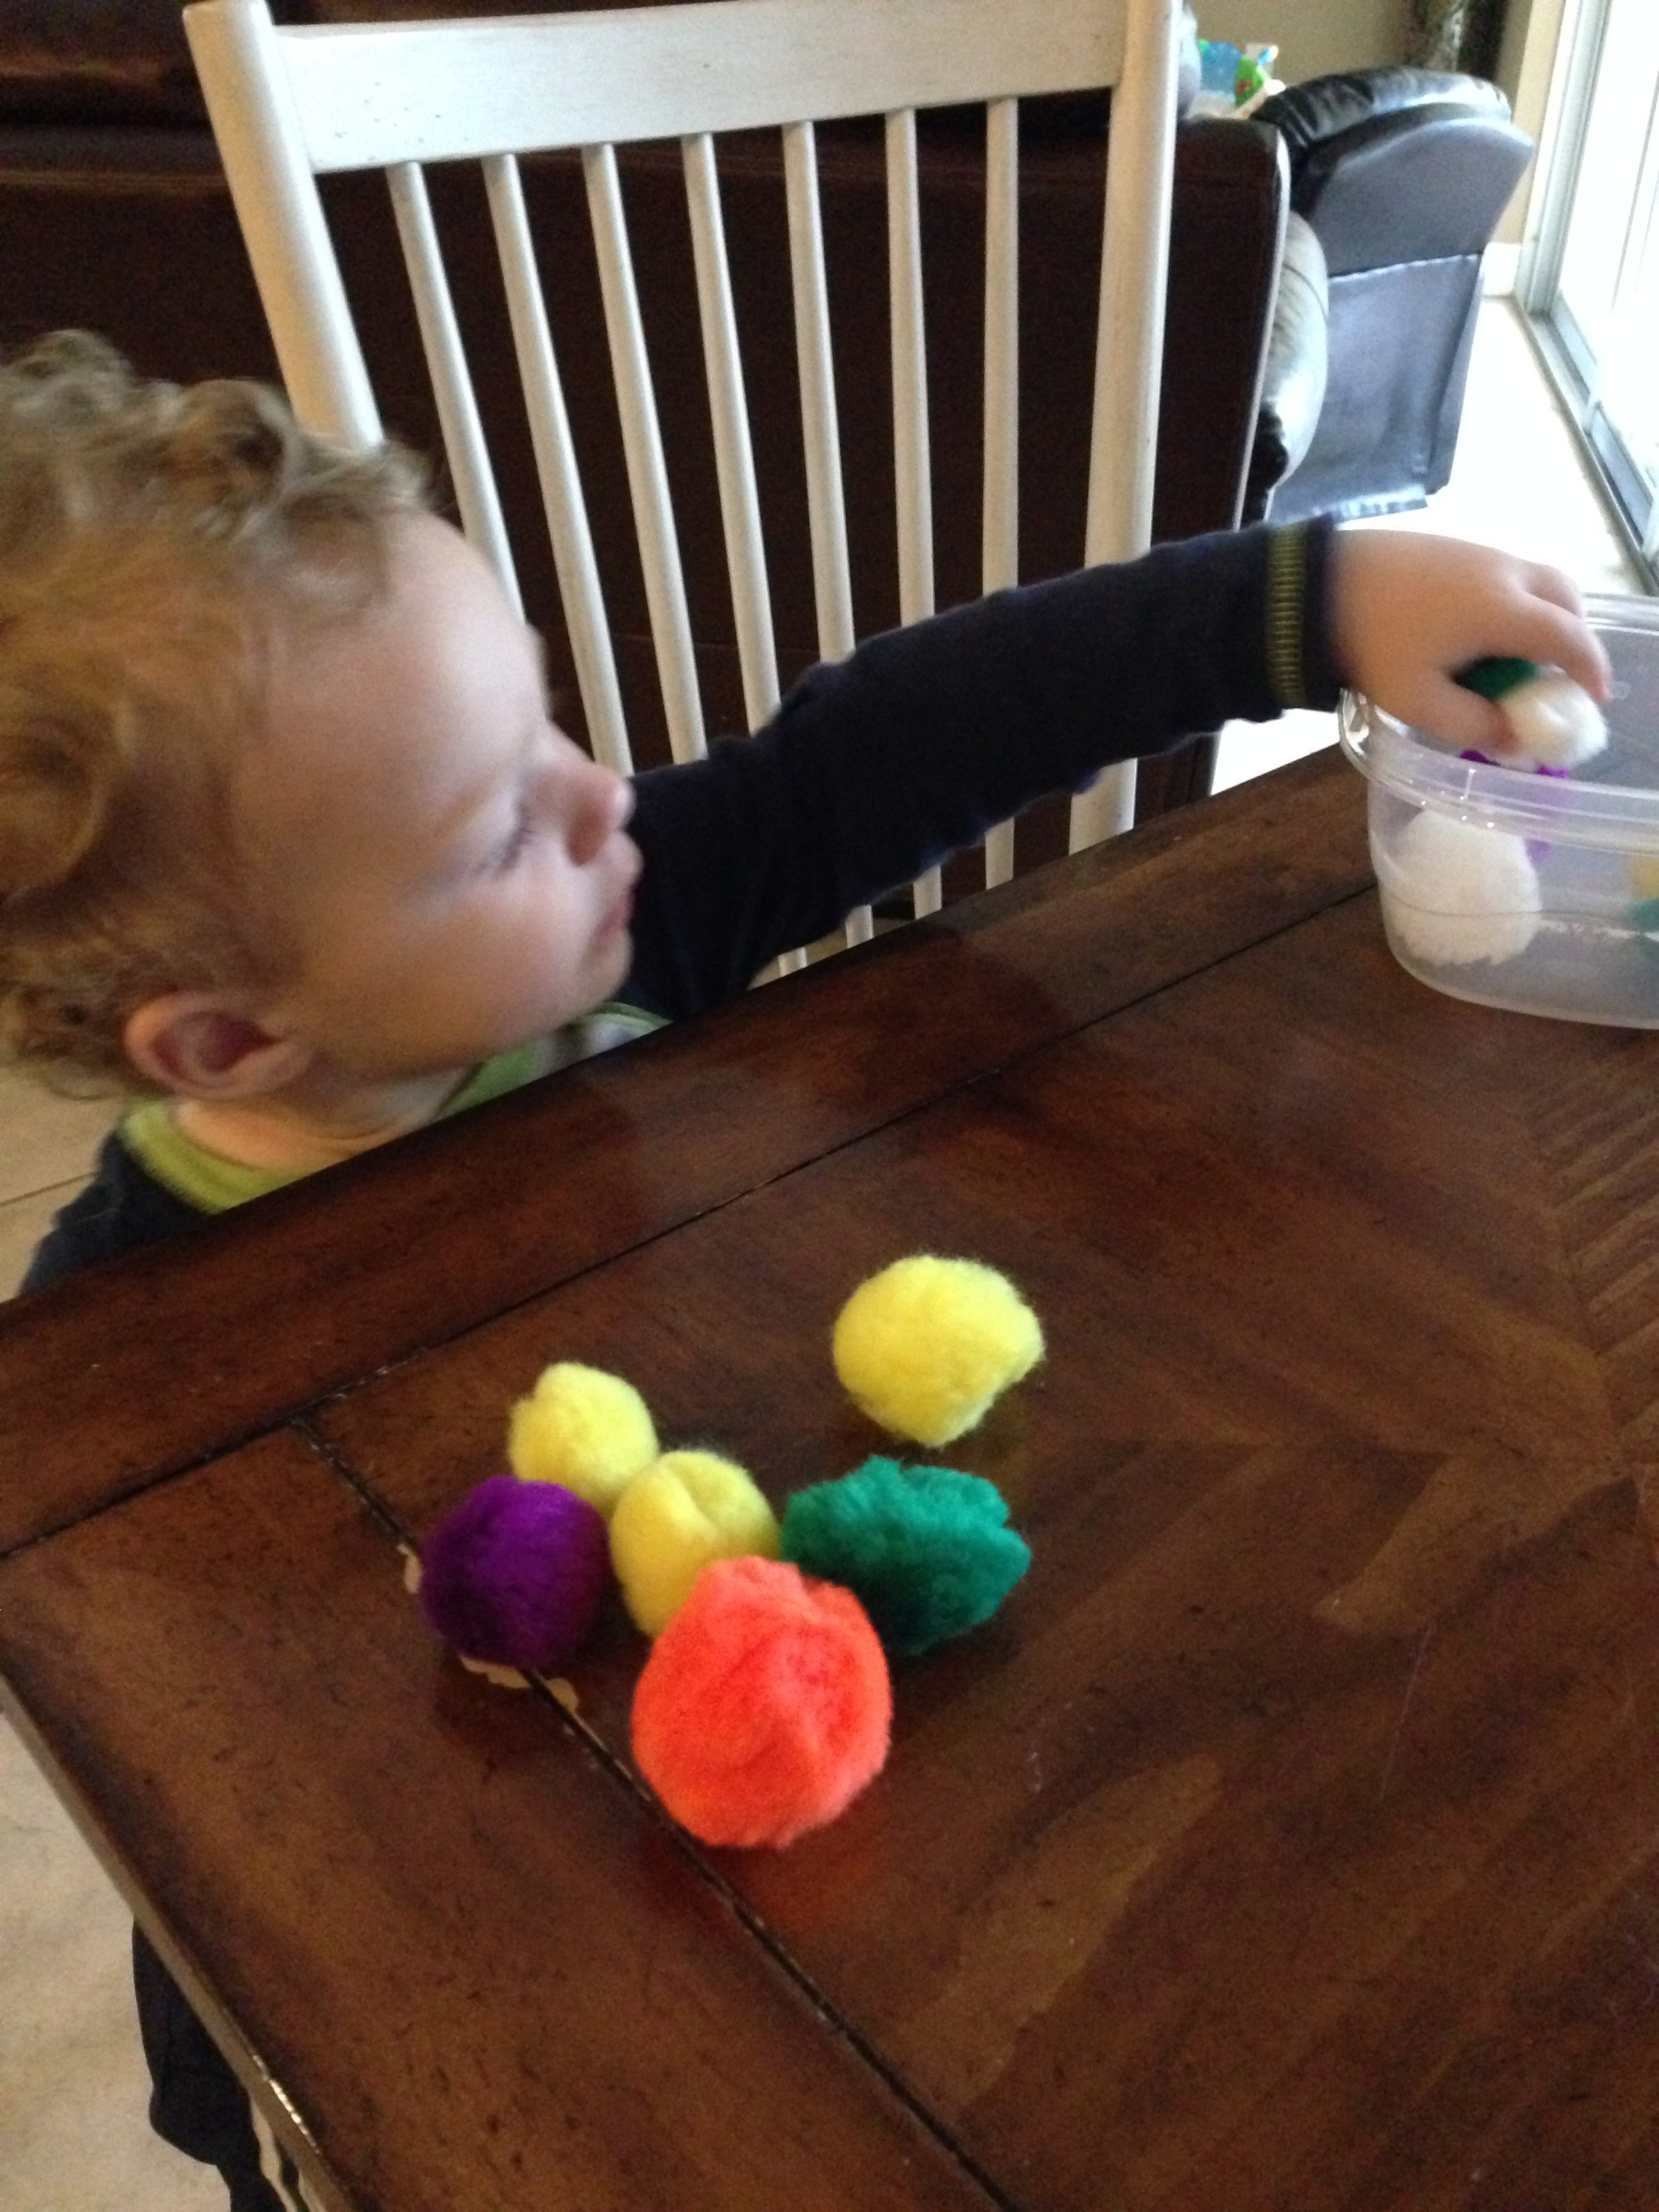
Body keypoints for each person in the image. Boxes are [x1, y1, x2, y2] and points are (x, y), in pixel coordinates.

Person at [1, 331, 1610, 2207]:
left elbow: (903, 735)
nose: (606, 800)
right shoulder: (107, 1366)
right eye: (501, 827)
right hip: (498, 1953)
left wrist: (1316, 596)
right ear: (225, 1044)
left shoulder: (630, 916)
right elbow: (218, 1788)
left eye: (547, 724)